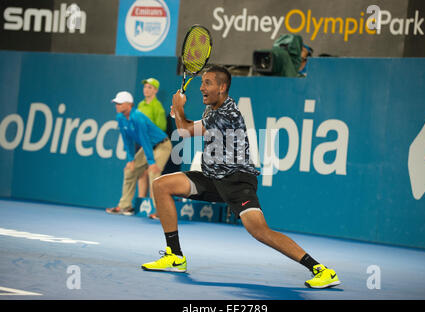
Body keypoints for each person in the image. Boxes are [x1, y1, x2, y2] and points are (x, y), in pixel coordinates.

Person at [140, 65, 341, 289]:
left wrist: (178, 110)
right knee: (161, 185)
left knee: (260, 231)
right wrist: (179, 115)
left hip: (236, 181)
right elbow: (193, 128)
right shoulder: (213, 109)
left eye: (207, 83)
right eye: (201, 82)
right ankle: (175, 256)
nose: (201, 88)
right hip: (212, 177)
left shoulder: (227, 112)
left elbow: (185, 131)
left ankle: (321, 270)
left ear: (222, 87)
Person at [106, 91, 172, 217]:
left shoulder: (138, 118)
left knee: (153, 173)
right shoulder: (120, 117)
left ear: (129, 104)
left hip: (162, 145)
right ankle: (125, 206)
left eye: (119, 103)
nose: (117, 106)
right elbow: (127, 140)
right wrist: (131, 160)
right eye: (116, 103)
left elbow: (145, 140)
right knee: (130, 170)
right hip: (149, 147)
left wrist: (151, 162)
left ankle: (160, 211)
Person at [136, 78, 167, 219]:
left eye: (150, 87)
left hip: (154, 144)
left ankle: (157, 209)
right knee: (140, 173)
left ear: (155, 90)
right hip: (141, 143)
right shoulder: (140, 105)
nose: (146, 89)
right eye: (145, 87)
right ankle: (141, 205)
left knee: (152, 173)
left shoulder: (158, 107)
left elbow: (161, 128)